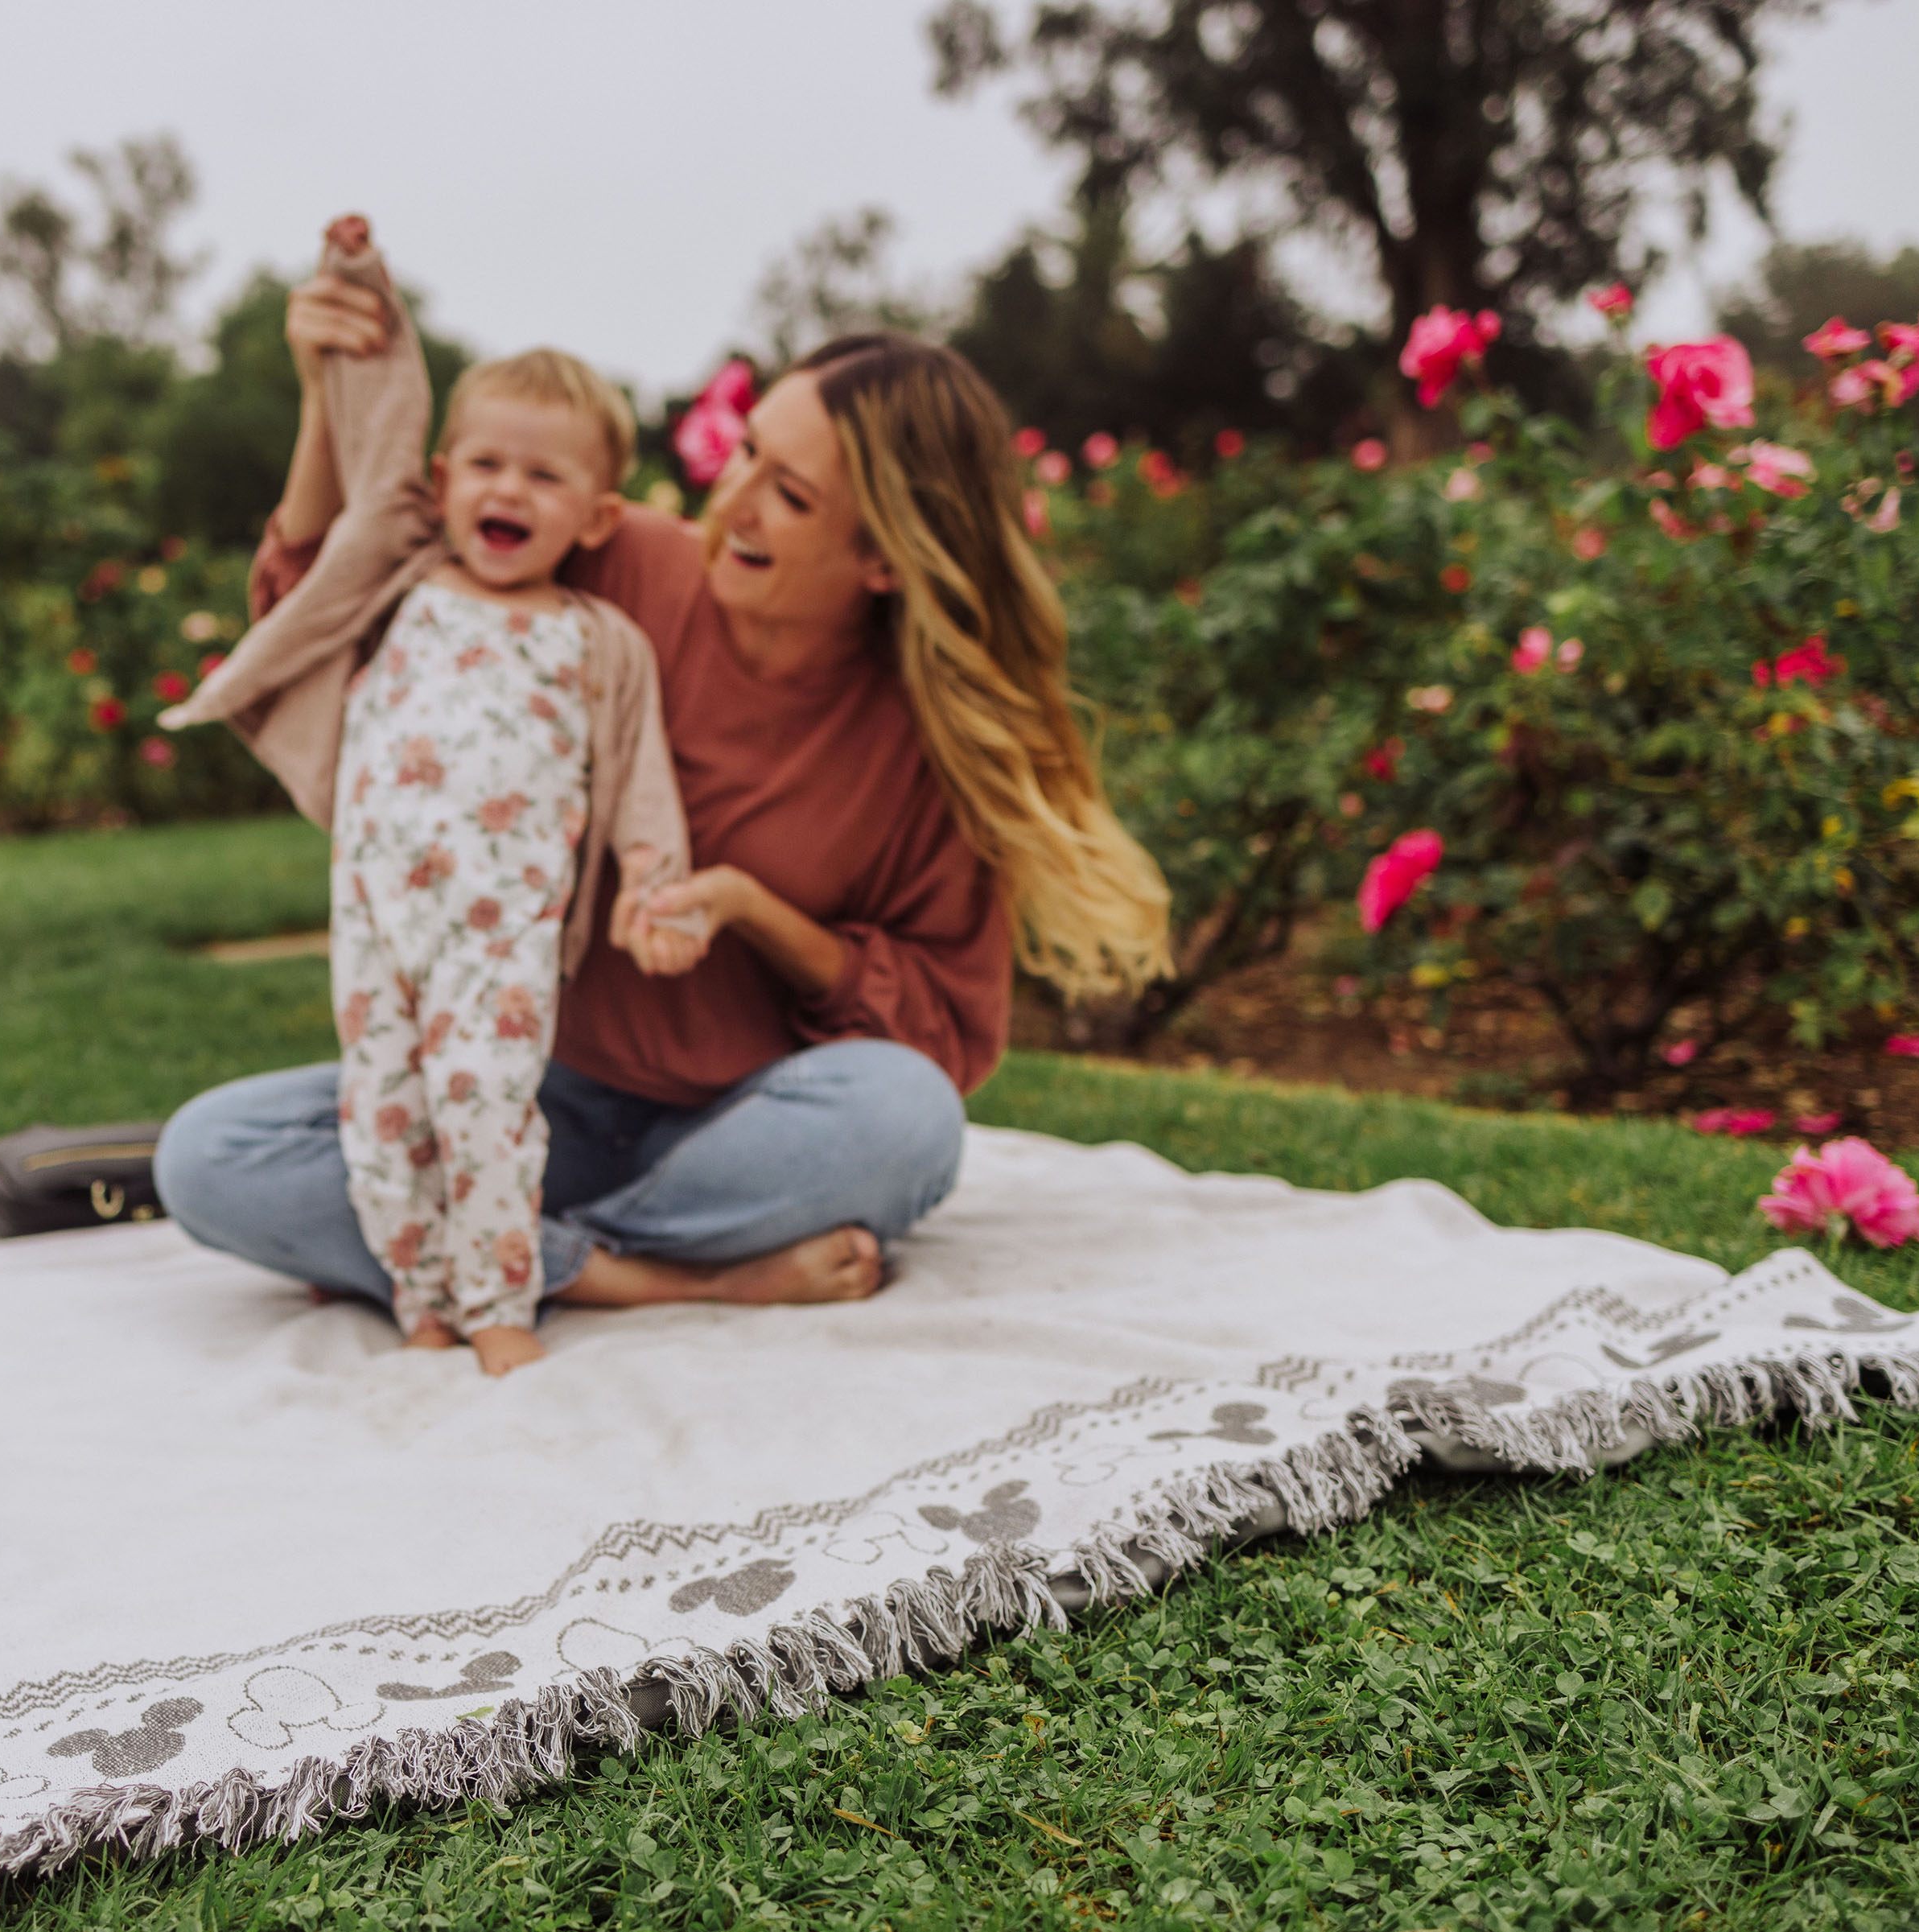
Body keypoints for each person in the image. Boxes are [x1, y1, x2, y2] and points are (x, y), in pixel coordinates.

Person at [156, 217, 1172, 1320]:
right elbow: (342, 605)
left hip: (745, 1123)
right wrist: (324, 397)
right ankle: (669, 1274)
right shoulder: (614, 555)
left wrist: (748, 911)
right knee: (214, 1156)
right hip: (518, 1078)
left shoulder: (929, 749)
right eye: (747, 455)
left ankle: (490, 1247)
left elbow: (937, 1033)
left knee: (906, 1121)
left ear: (883, 556)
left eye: (791, 495)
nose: (732, 503)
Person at [160, 220, 700, 1377]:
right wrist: (357, 284)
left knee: (487, 1100)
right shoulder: (398, 585)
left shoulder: (595, 642)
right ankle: (420, 1290)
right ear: (445, 486)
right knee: (384, 1105)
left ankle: (502, 1299)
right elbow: (377, 415)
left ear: (597, 519)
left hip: (498, 930)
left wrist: (653, 888)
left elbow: (643, 786)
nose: (510, 489)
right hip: (378, 910)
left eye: (546, 476)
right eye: (489, 466)